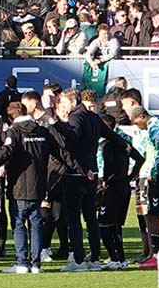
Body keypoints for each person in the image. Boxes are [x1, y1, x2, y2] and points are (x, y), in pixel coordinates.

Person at [0, 101, 85, 274]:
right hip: (39, 187)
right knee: (36, 225)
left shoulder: (14, 132)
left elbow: (5, 151)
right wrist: (80, 169)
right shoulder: (43, 131)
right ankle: (35, 264)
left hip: (19, 187)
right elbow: (61, 152)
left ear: (12, 117)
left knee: (19, 224)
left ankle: (21, 263)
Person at [56, 88, 138, 272]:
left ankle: (78, 260)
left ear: (71, 102)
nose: (61, 107)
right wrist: (129, 149)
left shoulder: (77, 117)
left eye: (63, 103)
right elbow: (113, 137)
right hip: (92, 173)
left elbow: (73, 137)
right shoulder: (94, 117)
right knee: (90, 218)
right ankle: (94, 258)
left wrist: (57, 126)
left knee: (73, 218)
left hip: (77, 173)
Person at [130, 105, 159, 270]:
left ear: (142, 116)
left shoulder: (154, 126)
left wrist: (153, 170)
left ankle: (156, 255)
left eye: (137, 122)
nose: (137, 126)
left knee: (154, 215)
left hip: (158, 176)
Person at [99, 113, 144, 270]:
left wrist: (104, 181)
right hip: (124, 188)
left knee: (103, 226)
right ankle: (121, 259)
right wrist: (129, 177)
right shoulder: (124, 143)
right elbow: (140, 159)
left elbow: (107, 167)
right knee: (116, 226)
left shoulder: (106, 145)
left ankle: (114, 258)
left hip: (112, 189)